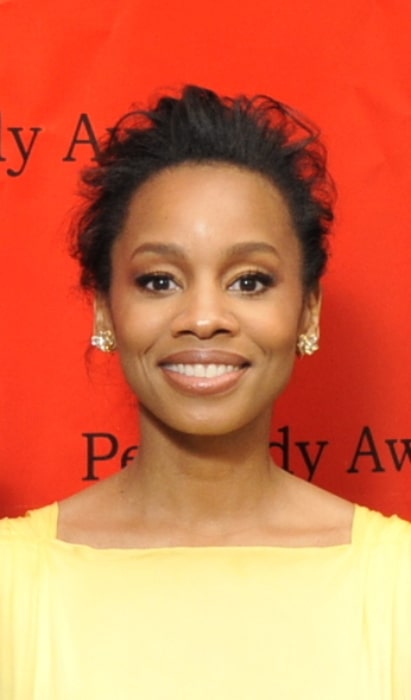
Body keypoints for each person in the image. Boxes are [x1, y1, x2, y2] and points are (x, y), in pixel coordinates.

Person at [1, 85, 410, 699]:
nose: (203, 317)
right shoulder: (14, 583)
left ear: (307, 312)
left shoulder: (396, 586)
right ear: (106, 311)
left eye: (249, 281)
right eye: (159, 279)